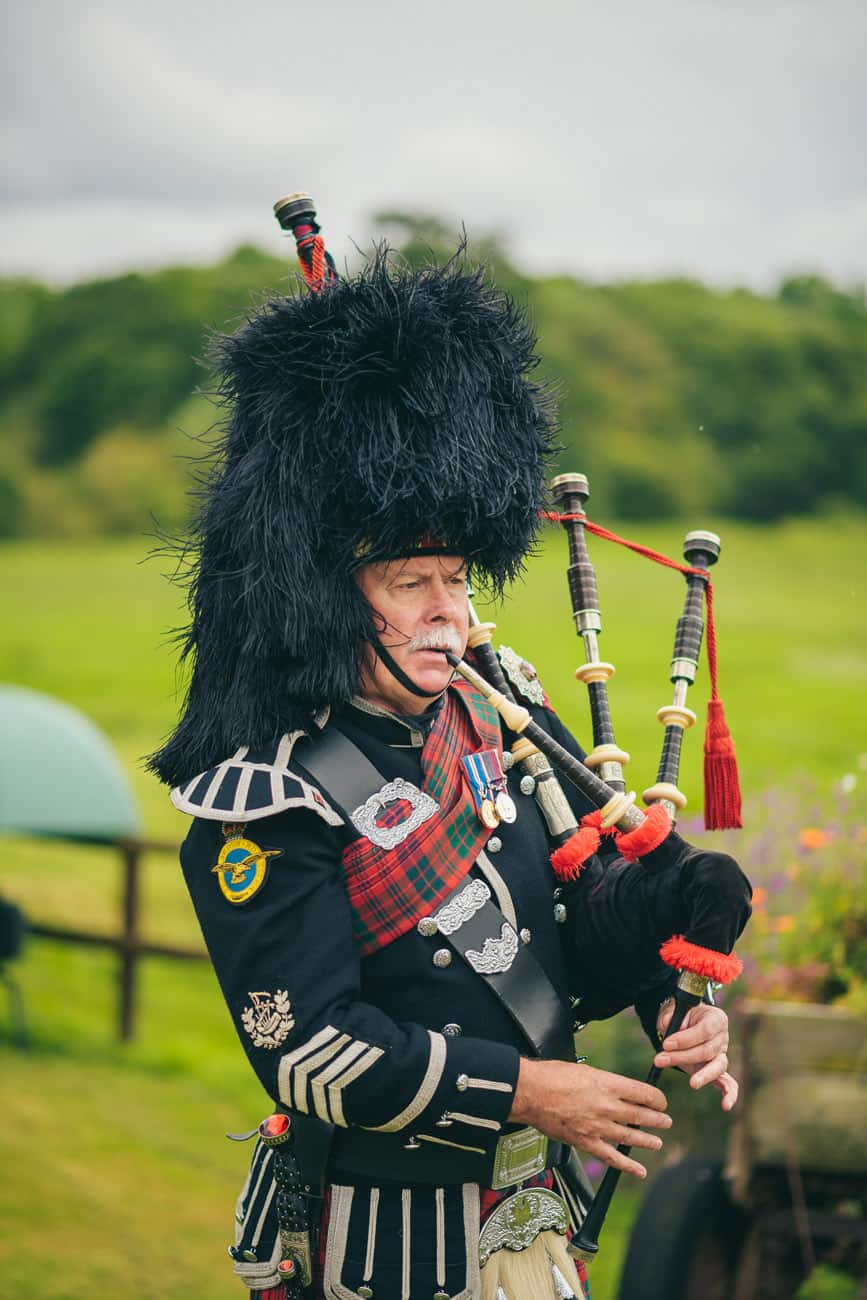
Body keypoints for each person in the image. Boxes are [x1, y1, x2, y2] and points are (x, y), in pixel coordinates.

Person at [150, 251, 751, 1300]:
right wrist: (529, 1088)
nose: (451, 612)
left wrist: (667, 984)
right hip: (378, 1245)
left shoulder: (499, 703)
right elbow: (313, 1055)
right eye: (410, 580)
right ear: (335, 599)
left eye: (458, 578)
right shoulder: (269, 789)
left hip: (530, 1221)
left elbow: (564, 922)